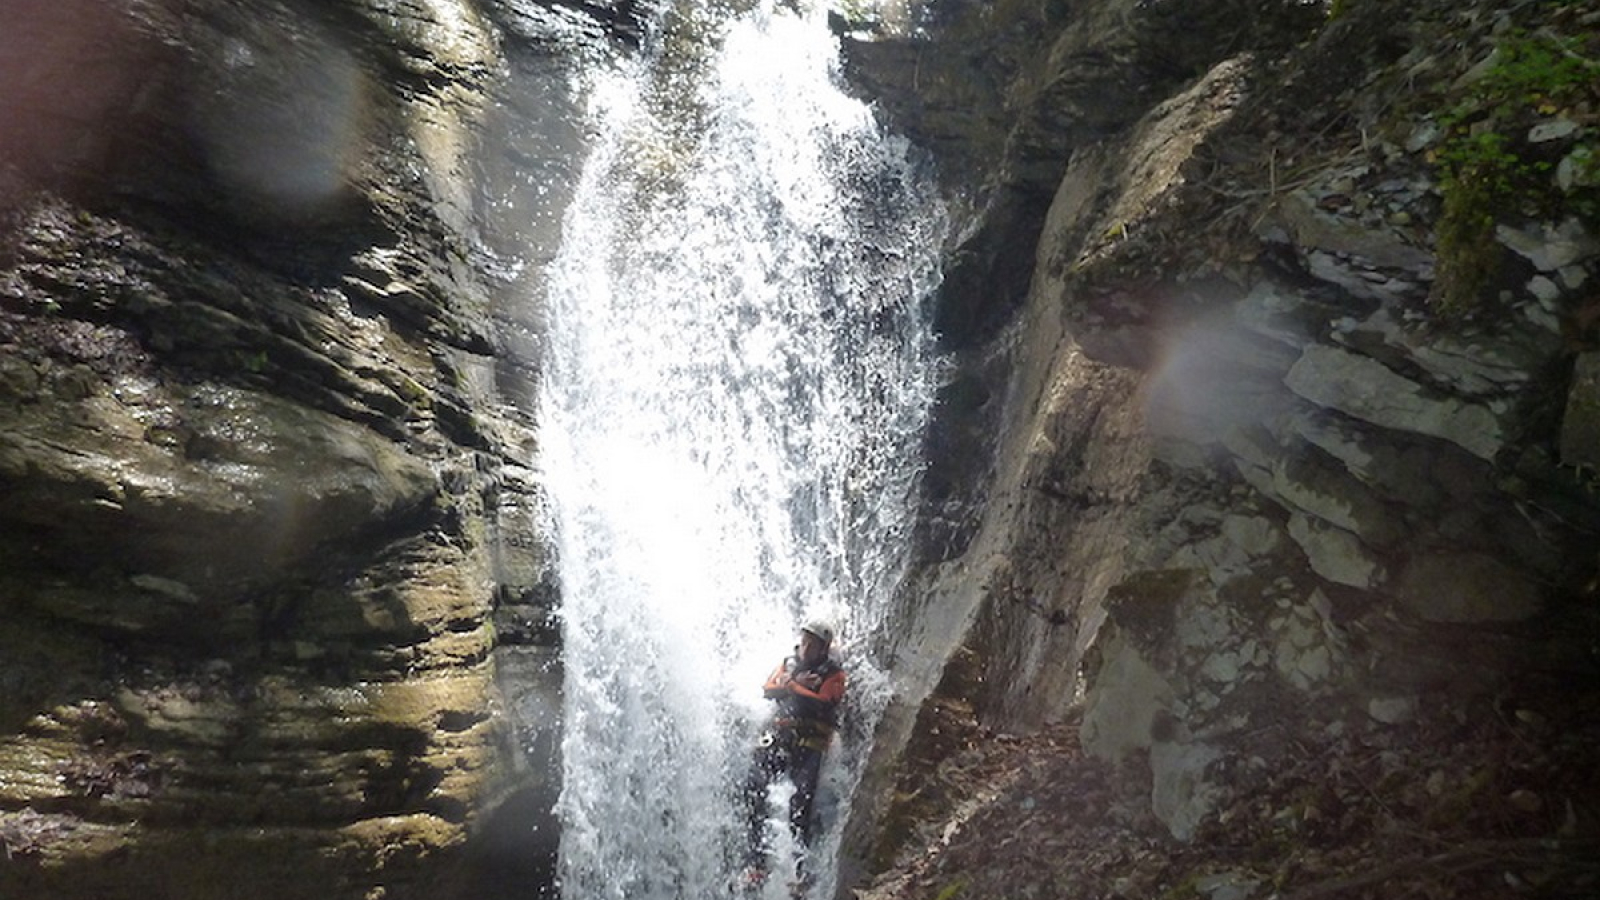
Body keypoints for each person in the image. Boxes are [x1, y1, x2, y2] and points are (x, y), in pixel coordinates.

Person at [740, 621, 846, 885]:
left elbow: (822, 702)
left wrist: (792, 686)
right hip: (780, 738)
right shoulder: (788, 663)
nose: (806, 647)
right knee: (753, 787)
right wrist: (795, 683)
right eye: (805, 640)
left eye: (813, 643)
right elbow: (768, 689)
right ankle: (757, 863)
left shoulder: (834, 673)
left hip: (810, 744)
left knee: (802, 799)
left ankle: (801, 872)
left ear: (824, 648)